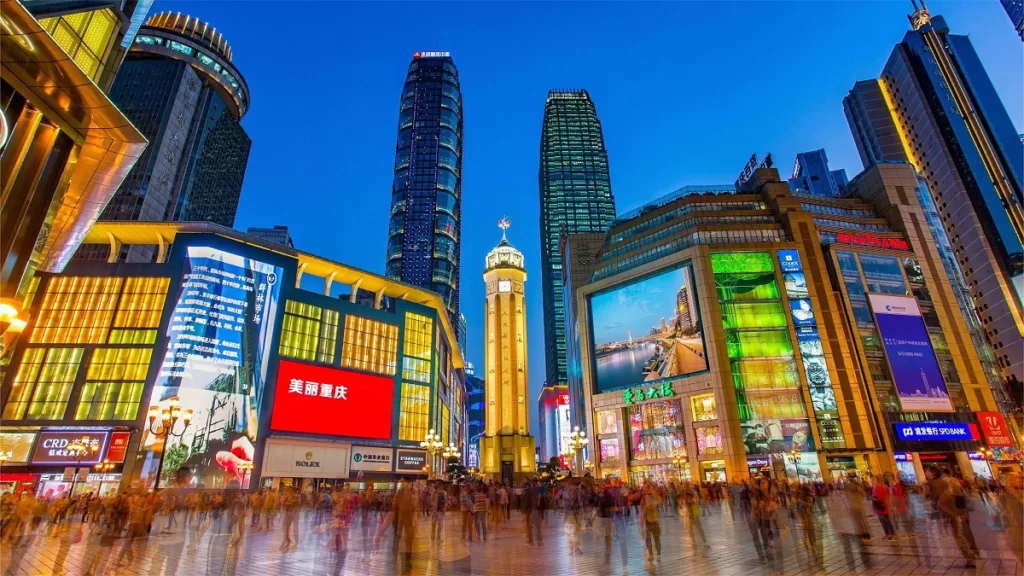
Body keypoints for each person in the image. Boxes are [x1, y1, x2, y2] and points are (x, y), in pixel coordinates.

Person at [925, 465, 979, 567]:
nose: (925, 473)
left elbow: (930, 498)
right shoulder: (946, 482)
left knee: (952, 537)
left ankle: (967, 556)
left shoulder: (933, 484)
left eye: (927, 471)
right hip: (954, 511)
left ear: (932, 473)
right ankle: (970, 555)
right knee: (959, 536)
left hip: (947, 514)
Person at [640, 481, 662, 563]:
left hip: (655, 519)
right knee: (648, 538)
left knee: (656, 537)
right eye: (646, 488)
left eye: (649, 488)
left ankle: (659, 554)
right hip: (647, 520)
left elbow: (659, 500)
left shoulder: (655, 495)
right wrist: (645, 507)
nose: (647, 490)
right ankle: (650, 554)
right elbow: (641, 508)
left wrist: (652, 495)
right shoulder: (643, 497)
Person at [871, 475, 896, 541]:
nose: (872, 481)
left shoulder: (880, 487)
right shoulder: (874, 488)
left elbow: (881, 497)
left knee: (887, 521)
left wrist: (875, 498)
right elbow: (874, 497)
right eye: (872, 480)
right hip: (878, 508)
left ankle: (892, 534)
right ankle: (887, 533)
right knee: (882, 522)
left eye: (874, 480)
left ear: (878, 481)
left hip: (883, 507)